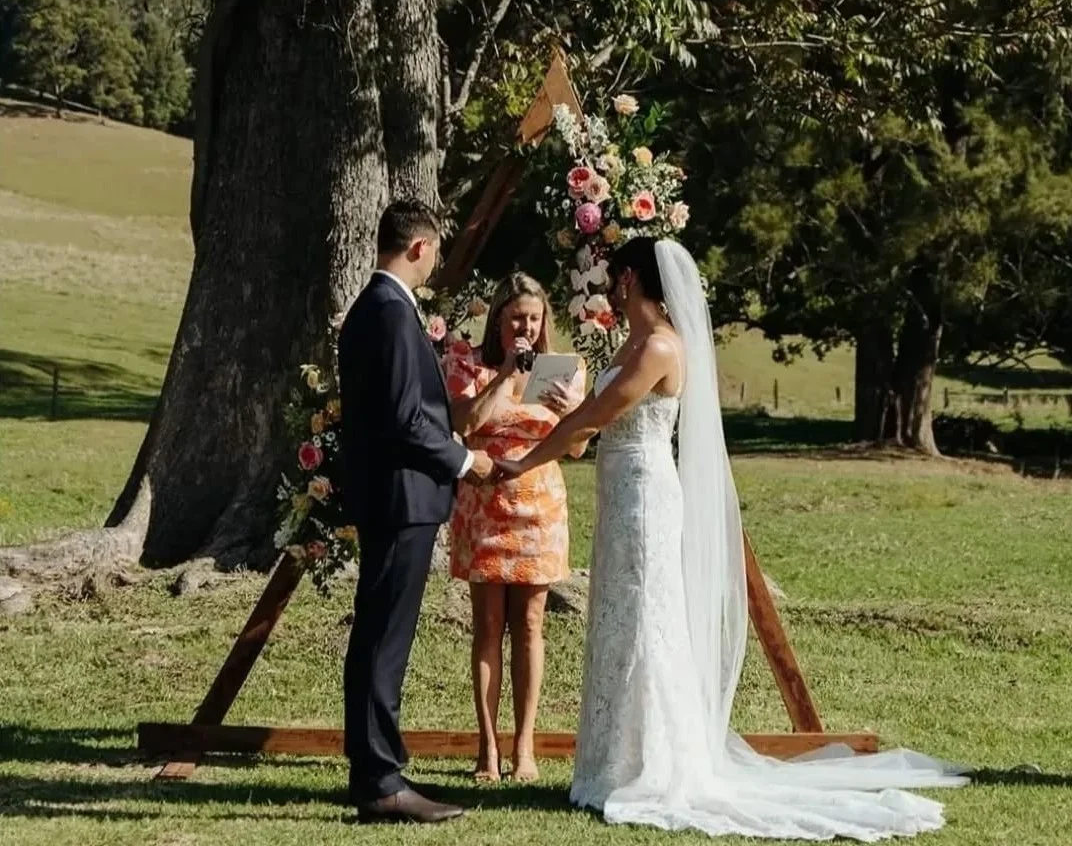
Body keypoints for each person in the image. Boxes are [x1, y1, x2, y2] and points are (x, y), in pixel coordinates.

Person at [494, 236, 968, 840]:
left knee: (644, 616)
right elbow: (588, 427)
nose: (612, 286)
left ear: (633, 280)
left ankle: (652, 766)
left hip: (644, 492)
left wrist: (526, 459)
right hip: (618, 488)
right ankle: (612, 760)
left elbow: (592, 419)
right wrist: (569, 409)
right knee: (618, 615)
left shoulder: (662, 346)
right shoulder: (629, 344)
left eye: (618, 277)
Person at [339, 199, 494, 824]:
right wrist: (464, 462)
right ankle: (380, 781)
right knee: (383, 639)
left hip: (391, 495)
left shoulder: (373, 309)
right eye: (433, 255)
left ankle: (376, 767)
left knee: (379, 633)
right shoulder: (391, 313)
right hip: (401, 498)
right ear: (420, 247)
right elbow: (406, 419)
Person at [444, 272, 587, 784]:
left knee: (529, 625)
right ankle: (487, 748)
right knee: (487, 627)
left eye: (533, 317)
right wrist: (505, 375)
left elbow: (576, 448)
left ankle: (524, 747)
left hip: (539, 508)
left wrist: (570, 412)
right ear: (498, 321)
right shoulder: (468, 364)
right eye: (515, 319)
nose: (525, 327)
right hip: (484, 505)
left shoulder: (566, 370)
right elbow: (462, 425)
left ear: (545, 319)